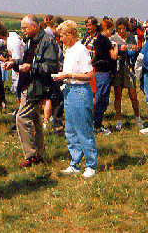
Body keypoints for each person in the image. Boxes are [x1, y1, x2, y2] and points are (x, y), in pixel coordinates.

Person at [3, 15, 60, 167]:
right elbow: (27, 61)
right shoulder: (31, 40)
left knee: (21, 118)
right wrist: (13, 64)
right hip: (28, 84)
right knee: (35, 120)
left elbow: (52, 67)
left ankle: (31, 155)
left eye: (25, 28)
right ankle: (39, 153)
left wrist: (31, 68)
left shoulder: (48, 41)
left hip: (38, 86)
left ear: (34, 26)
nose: (23, 31)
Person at [52, 20, 98, 178]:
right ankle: (75, 162)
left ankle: (91, 165)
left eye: (62, 36)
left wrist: (68, 76)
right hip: (69, 90)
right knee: (70, 129)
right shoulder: (69, 50)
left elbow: (89, 75)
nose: (60, 39)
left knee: (83, 130)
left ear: (70, 35)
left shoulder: (80, 50)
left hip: (79, 91)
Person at [110, 17, 142, 130]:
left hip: (129, 68)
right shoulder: (113, 38)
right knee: (118, 95)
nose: (121, 31)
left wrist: (133, 49)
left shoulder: (132, 38)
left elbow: (137, 51)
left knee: (133, 95)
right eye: (119, 29)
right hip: (118, 69)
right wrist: (118, 49)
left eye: (123, 29)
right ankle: (119, 119)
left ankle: (138, 118)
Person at [92, 19, 119, 134]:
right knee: (101, 99)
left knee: (97, 97)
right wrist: (116, 46)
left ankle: (94, 123)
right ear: (107, 29)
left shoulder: (97, 39)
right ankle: (97, 125)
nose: (111, 31)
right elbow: (113, 56)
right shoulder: (106, 40)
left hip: (97, 72)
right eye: (111, 29)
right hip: (104, 72)